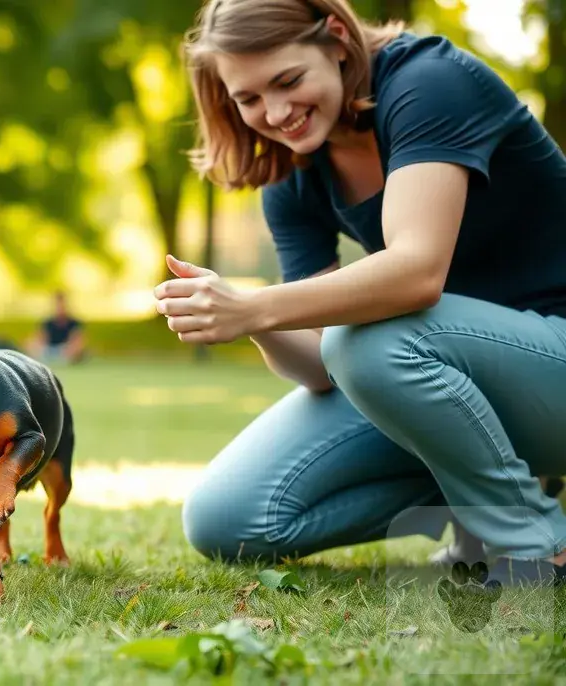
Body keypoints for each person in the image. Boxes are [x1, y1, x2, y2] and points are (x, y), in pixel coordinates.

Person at [160, 0, 566, 585]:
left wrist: (255, 303)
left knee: (369, 343)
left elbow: (415, 273)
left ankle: (537, 545)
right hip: (460, 380)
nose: (276, 113)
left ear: (337, 37)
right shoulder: (295, 173)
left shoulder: (429, 84)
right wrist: (252, 323)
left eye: (288, 80)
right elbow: (323, 366)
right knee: (227, 517)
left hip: (554, 354)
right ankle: (480, 495)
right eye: (247, 99)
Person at [28, 290, 87, 364]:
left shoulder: (74, 323)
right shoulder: (47, 323)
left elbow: (77, 340)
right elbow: (41, 339)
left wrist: (70, 349)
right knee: (31, 343)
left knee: (77, 346)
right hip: (49, 350)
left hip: (66, 350)